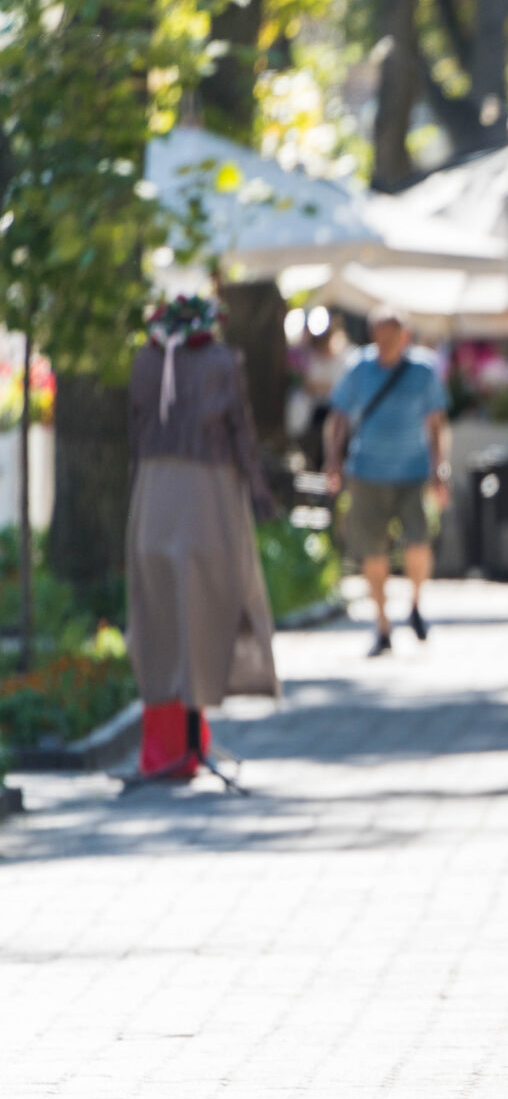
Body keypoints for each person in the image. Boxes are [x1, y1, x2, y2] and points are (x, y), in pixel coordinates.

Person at [125, 294, 279, 782]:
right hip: (208, 494)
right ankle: (192, 737)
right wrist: (259, 494)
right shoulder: (223, 362)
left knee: (159, 613)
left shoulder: (144, 363)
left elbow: (136, 429)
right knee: (211, 601)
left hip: (152, 493)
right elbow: (241, 433)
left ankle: (172, 744)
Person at [324, 308, 448, 658]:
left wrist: (440, 471)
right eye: (379, 333)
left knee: (418, 541)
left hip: (412, 471)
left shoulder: (423, 371)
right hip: (367, 471)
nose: (385, 341)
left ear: (404, 336)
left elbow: (437, 423)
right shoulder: (358, 368)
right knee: (372, 550)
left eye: (391, 334)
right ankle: (382, 625)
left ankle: (415, 604)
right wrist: (334, 461)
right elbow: (339, 417)